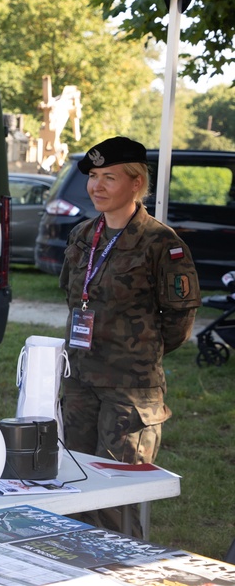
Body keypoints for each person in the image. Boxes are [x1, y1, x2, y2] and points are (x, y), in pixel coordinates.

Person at [59, 136, 200, 534]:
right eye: (93, 177)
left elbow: (178, 321)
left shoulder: (162, 243)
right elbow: (73, 297)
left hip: (130, 390)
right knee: (74, 486)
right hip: (81, 384)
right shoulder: (83, 236)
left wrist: (138, 351)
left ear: (136, 183)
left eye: (109, 177)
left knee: (115, 497)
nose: (96, 186)